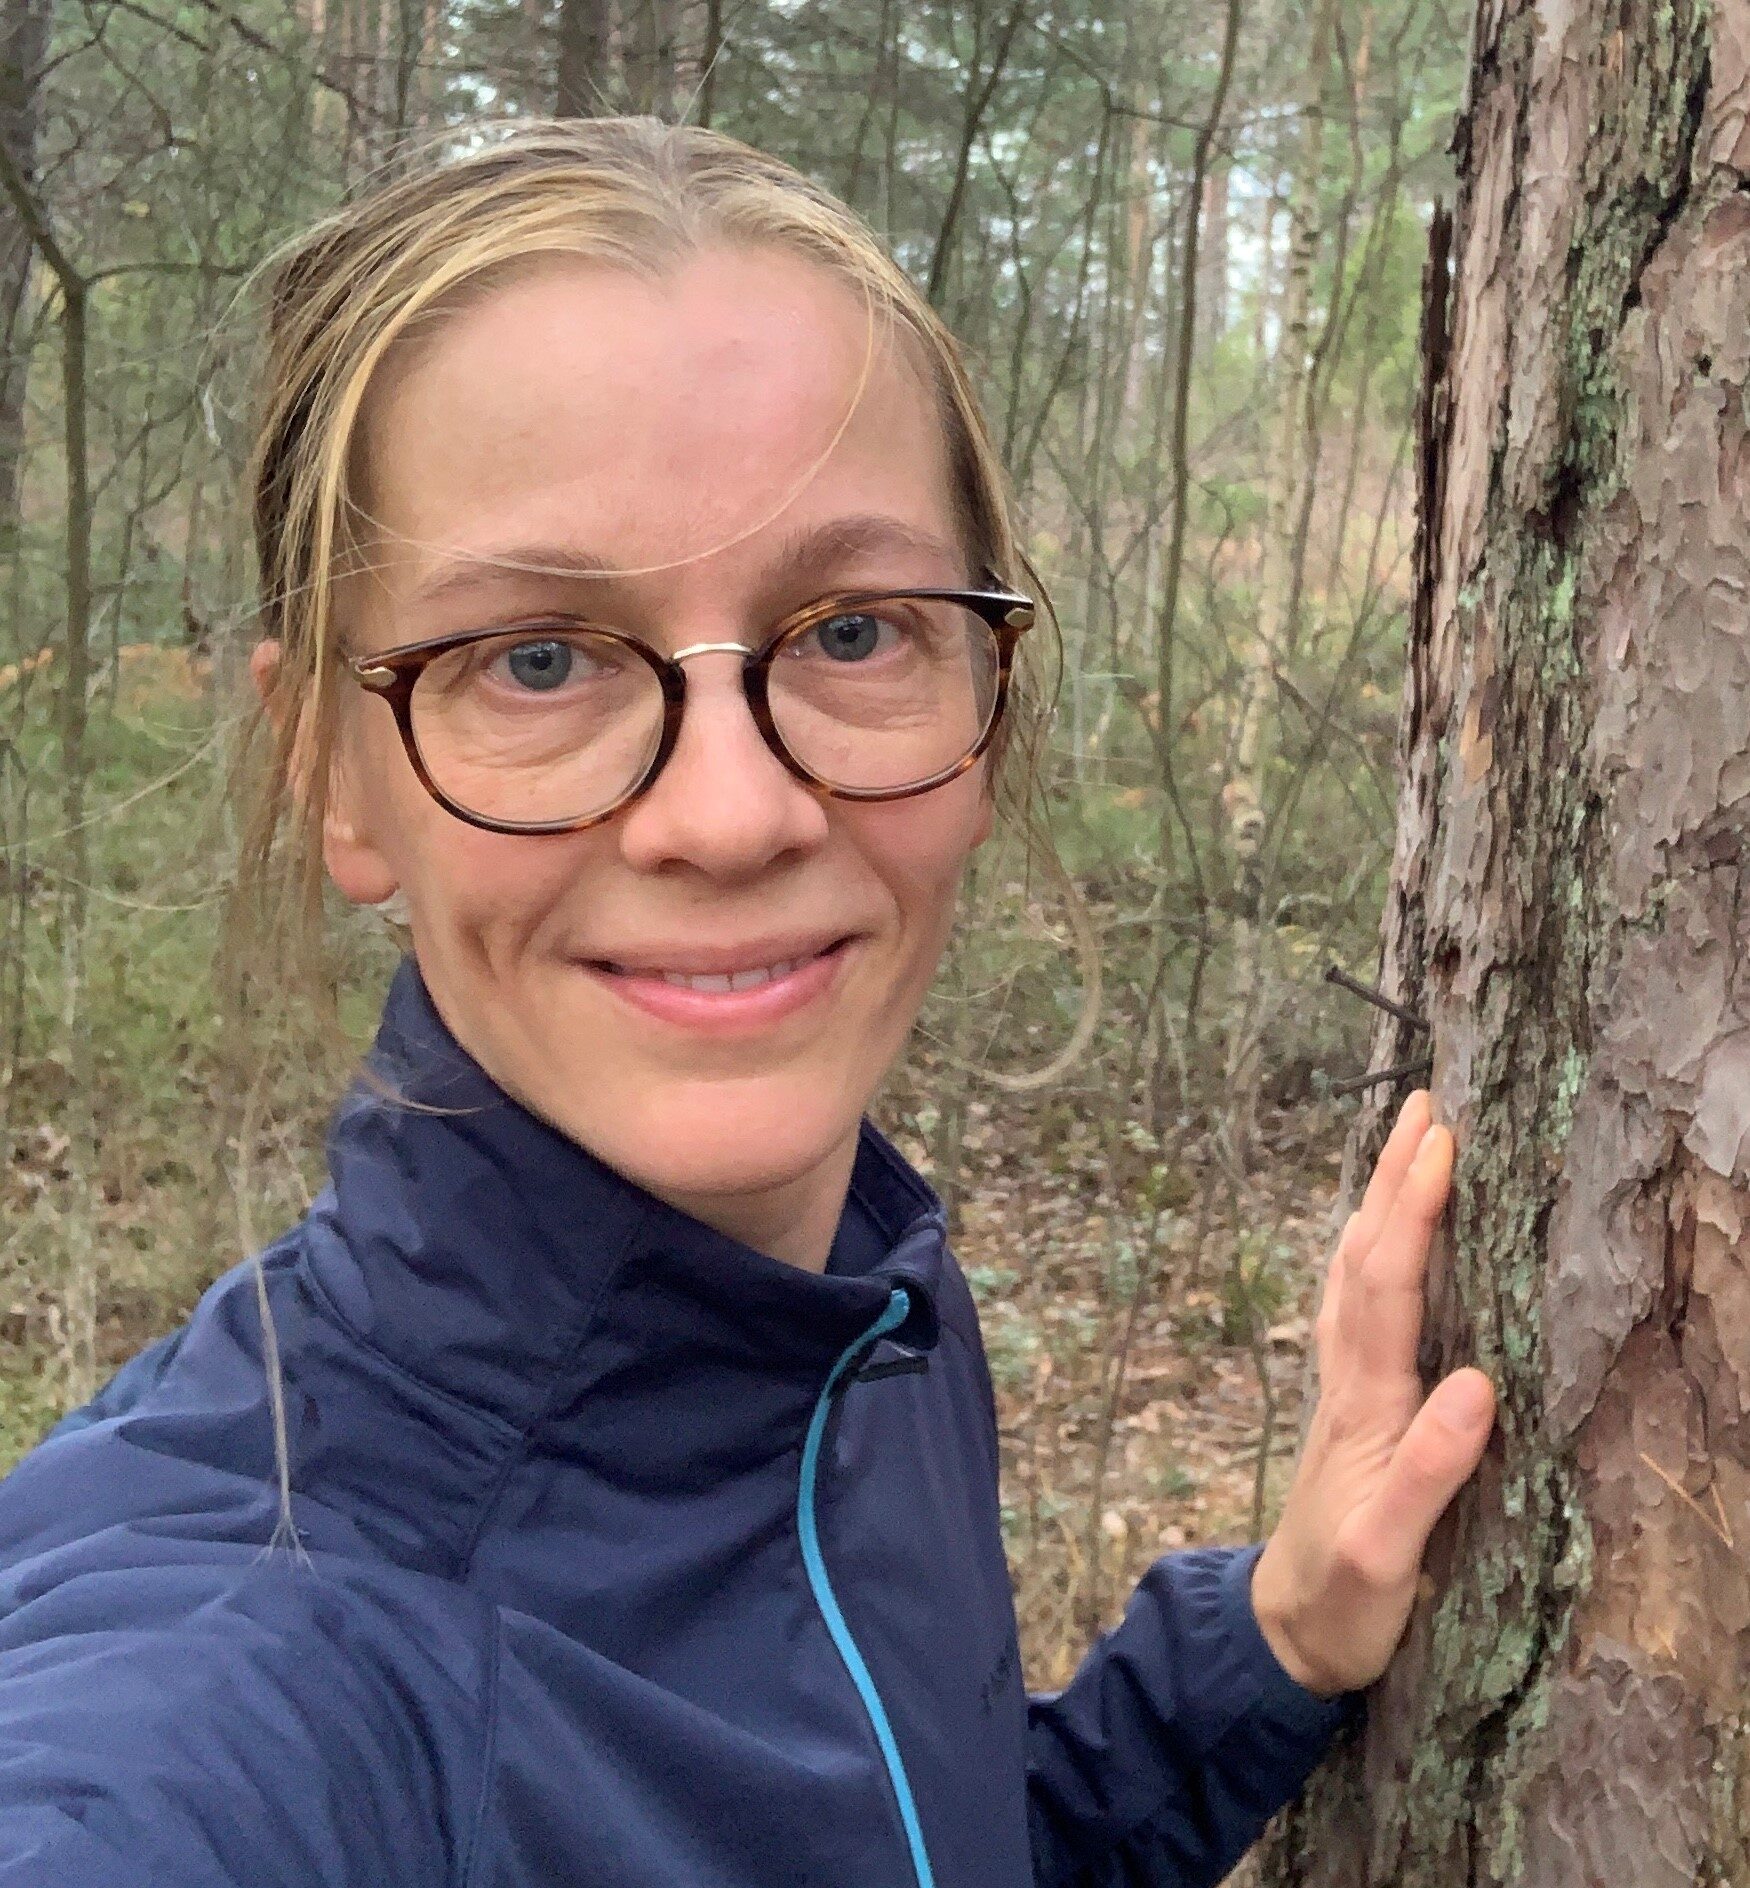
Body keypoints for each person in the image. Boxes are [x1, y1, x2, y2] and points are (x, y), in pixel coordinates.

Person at [0, 119, 1495, 1887]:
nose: (728, 813)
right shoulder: (226, 1707)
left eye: (853, 630)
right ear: (334, 766)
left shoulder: (859, 1309)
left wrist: (1268, 1647)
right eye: (535, 660)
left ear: (984, 685)